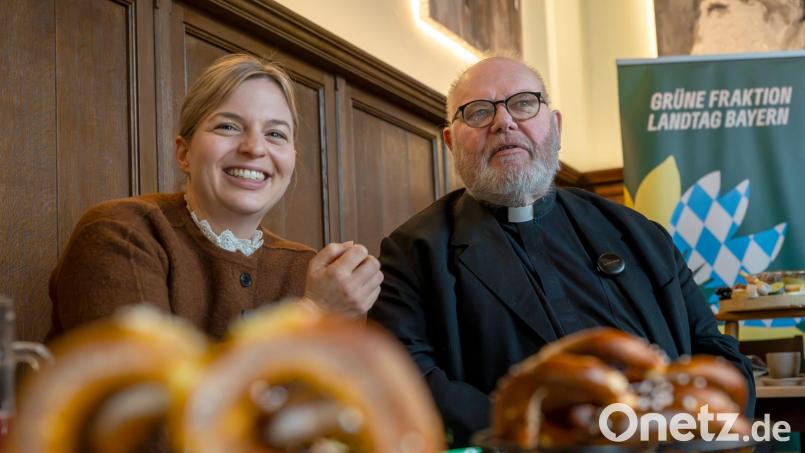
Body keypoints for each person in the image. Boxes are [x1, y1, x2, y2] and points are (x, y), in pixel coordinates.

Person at [368, 56, 755, 446]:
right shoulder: (413, 251)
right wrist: (545, 436)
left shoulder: (638, 233)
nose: (504, 122)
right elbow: (408, 378)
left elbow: (713, 348)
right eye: (479, 112)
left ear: (555, 126)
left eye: (523, 103)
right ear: (451, 141)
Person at [49, 54, 383, 339]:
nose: (254, 148)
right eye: (228, 127)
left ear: (292, 158)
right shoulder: (122, 233)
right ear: (184, 153)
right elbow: (147, 402)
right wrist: (312, 313)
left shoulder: (306, 269)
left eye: (275, 134)